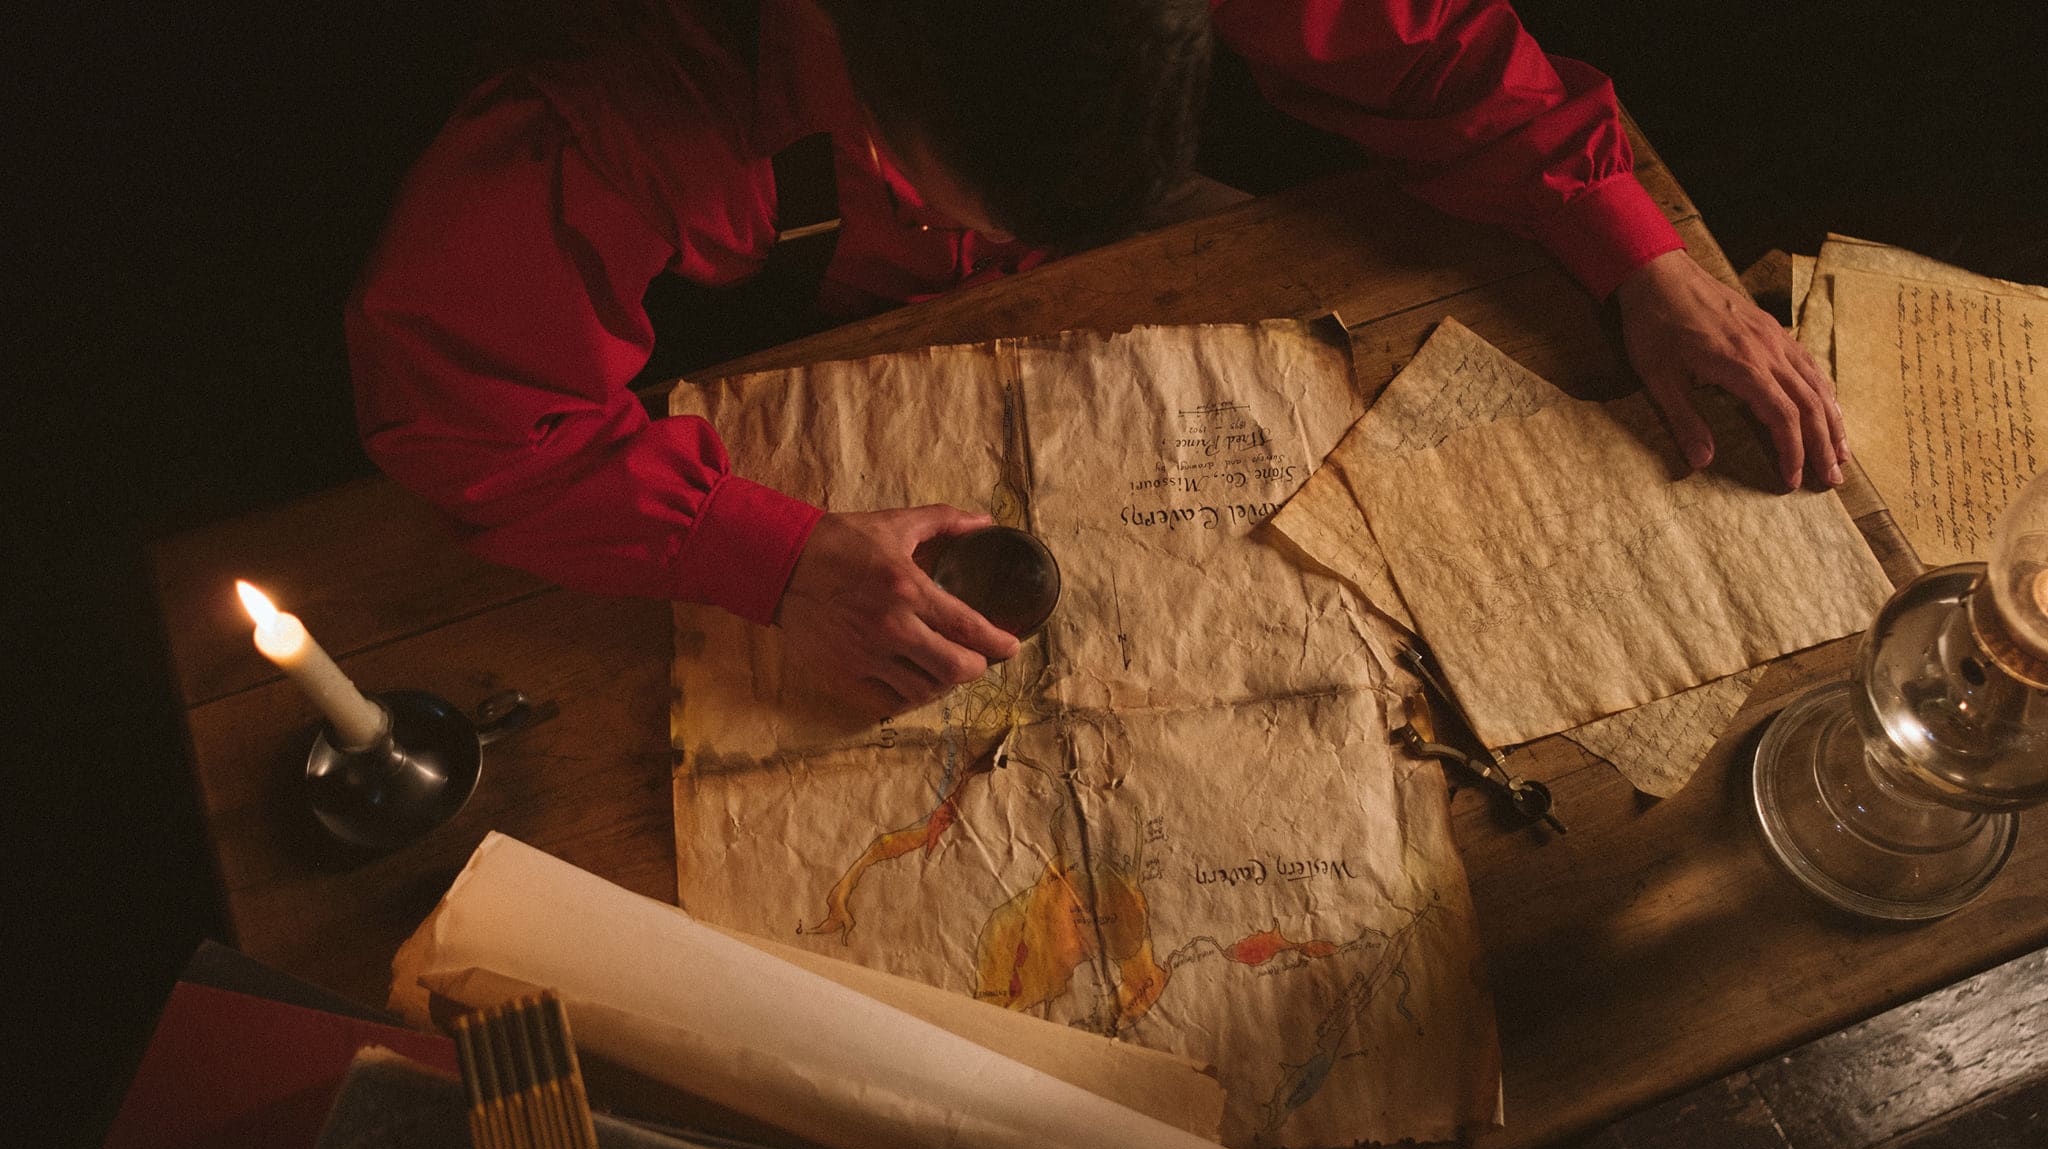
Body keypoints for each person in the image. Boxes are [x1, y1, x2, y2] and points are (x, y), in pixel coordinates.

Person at [348, 0, 1848, 718]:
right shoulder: (644, 99)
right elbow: (468, 408)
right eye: (957, 194)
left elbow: (1433, 48)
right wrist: (768, 555)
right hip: (786, 307)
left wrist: (1640, 256)